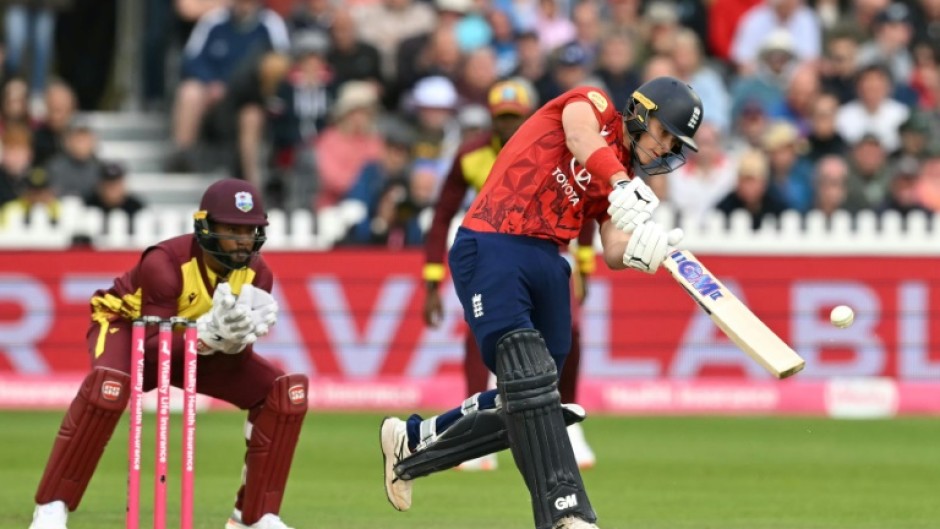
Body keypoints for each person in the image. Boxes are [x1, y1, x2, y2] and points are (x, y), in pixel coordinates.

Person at [381, 76, 703, 529]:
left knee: (534, 398)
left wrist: (643, 251)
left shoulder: (625, 178)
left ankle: (413, 443)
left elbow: (612, 247)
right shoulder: (590, 103)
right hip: (493, 241)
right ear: (640, 112)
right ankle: (567, 513)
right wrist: (616, 182)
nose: (667, 147)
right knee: (530, 380)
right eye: (666, 132)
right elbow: (578, 136)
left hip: (549, 262)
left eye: (676, 142)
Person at [27, 179, 307, 529]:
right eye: (231, 228)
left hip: (192, 344)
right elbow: (151, 349)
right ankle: (52, 507)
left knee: (284, 393)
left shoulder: (258, 274)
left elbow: (233, 358)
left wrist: (235, 339)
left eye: (250, 230)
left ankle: (253, 518)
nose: (242, 239)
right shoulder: (165, 262)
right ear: (206, 227)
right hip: (127, 329)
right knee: (108, 388)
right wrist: (206, 336)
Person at [421, 78, 596, 471]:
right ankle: (471, 426)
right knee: (483, 332)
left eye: (516, 118)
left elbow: (583, 199)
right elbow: (440, 218)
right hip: (492, 252)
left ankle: (567, 419)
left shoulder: (554, 150)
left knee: (569, 335)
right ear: (491, 119)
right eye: (502, 119)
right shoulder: (471, 156)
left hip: (546, 252)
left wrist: (585, 264)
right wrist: (431, 282)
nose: (509, 127)